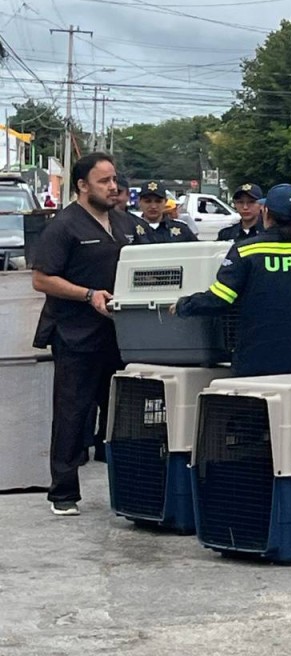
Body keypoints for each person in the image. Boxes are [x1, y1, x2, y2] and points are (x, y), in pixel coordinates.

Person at [31, 152, 140, 515]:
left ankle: (131, 489)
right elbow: (42, 278)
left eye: (114, 180)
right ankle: (63, 493)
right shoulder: (65, 226)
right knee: (72, 413)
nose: (113, 187)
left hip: (120, 334)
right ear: (82, 185)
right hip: (75, 334)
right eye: (104, 181)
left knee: (122, 414)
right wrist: (88, 294)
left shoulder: (126, 224)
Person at [171, 183, 291, 377]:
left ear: (266, 213)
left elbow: (221, 298)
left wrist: (185, 304)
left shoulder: (246, 251)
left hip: (257, 355)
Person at [114, 174, 151, 242]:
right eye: (109, 193)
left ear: (128, 194)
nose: (113, 197)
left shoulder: (141, 225)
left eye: (117, 192)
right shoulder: (90, 224)